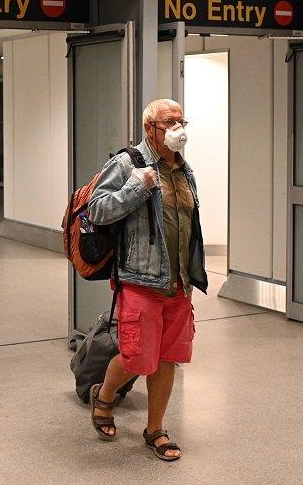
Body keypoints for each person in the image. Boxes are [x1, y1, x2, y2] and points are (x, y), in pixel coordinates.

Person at [84, 98, 207, 462]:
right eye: (169, 123)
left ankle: (155, 429)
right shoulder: (126, 163)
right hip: (140, 279)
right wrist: (137, 187)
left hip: (179, 283)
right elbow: (97, 210)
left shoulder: (185, 170)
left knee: (168, 357)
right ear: (149, 128)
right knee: (138, 357)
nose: (177, 129)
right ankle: (104, 397)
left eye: (181, 121)